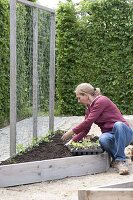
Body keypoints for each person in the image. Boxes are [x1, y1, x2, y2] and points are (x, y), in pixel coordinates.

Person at [61, 83, 133, 175]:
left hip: (124, 133)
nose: (78, 101)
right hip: (110, 136)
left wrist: (71, 131)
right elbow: (86, 128)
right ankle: (117, 161)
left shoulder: (101, 100)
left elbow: (89, 121)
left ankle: (120, 160)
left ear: (86, 95)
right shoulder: (88, 109)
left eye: (79, 97)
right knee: (103, 139)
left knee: (118, 125)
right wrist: (72, 141)